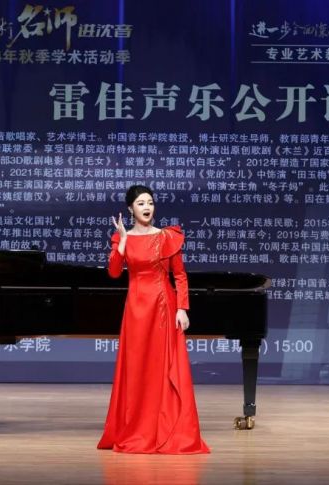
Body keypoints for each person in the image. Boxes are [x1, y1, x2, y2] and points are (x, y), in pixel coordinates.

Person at [97, 185, 210, 454]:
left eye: (150, 202)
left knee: (162, 368)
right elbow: (114, 272)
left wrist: (182, 308)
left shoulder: (167, 236)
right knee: (137, 369)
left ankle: (165, 428)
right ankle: (137, 428)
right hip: (136, 309)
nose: (147, 207)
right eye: (140, 203)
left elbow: (180, 275)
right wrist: (122, 243)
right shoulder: (121, 237)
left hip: (163, 307)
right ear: (130, 209)